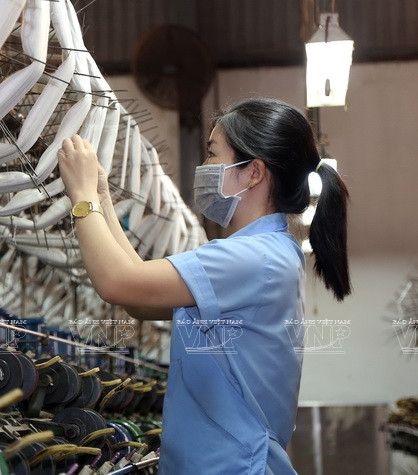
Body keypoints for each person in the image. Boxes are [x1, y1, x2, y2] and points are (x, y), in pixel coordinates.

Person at [57, 97, 350, 474]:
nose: (205, 167)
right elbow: (140, 296)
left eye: (213, 155)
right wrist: (101, 196)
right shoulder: (262, 253)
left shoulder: (254, 259)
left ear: (254, 172)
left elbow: (118, 283)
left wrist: (81, 199)